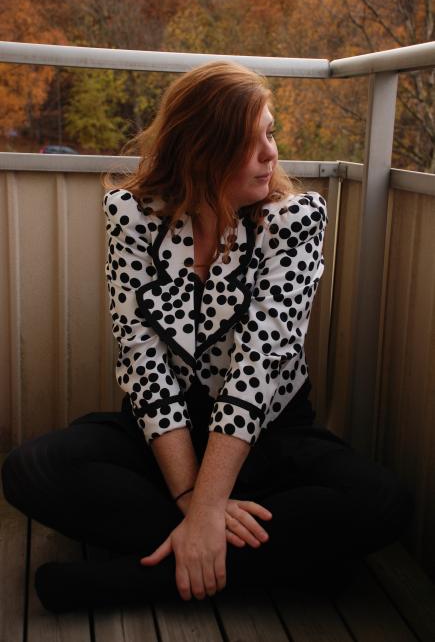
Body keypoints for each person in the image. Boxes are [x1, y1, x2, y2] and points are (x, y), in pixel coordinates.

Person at [1, 60, 414, 613]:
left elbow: (257, 370)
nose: (270, 154)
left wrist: (208, 506)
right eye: (249, 141)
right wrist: (194, 499)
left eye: (271, 133)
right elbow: (142, 361)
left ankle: (133, 580)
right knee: (30, 469)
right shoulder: (133, 217)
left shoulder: (295, 221)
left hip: (267, 436)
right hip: (163, 438)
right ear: (201, 149)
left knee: (383, 500)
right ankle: (272, 560)